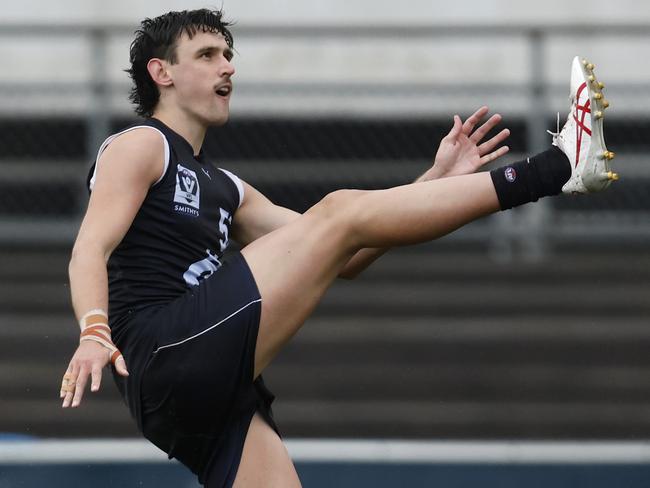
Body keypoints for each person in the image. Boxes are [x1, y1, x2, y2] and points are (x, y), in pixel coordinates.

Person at [59, 8, 616, 488]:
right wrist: (92, 330)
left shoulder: (227, 186)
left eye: (228, 54)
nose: (228, 65)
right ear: (162, 73)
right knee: (335, 210)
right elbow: (89, 248)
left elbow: (345, 254)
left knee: (335, 221)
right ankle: (559, 167)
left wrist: (435, 182)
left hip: (202, 388)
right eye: (206, 54)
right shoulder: (140, 144)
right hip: (163, 352)